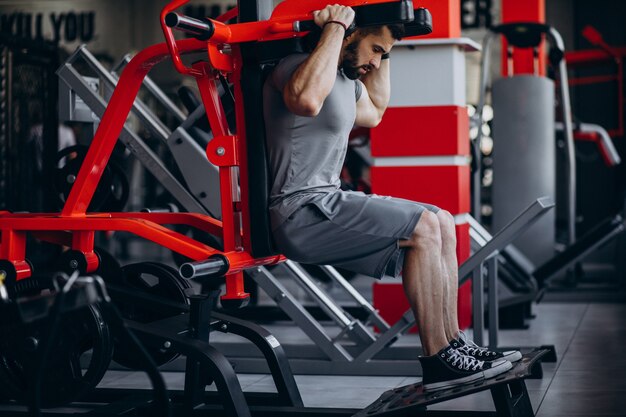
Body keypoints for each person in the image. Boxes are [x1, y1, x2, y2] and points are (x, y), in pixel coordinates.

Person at [263, 4, 521, 391]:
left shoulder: (344, 80)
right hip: (299, 210)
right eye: (376, 49)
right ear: (350, 33)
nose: (377, 60)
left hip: (328, 202)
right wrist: (337, 26)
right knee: (423, 228)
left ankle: (453, 345)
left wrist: (388, 47)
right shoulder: (296, 67)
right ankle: (439, 360)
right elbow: (304, 101)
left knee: (441, 220)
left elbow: (376, 112)